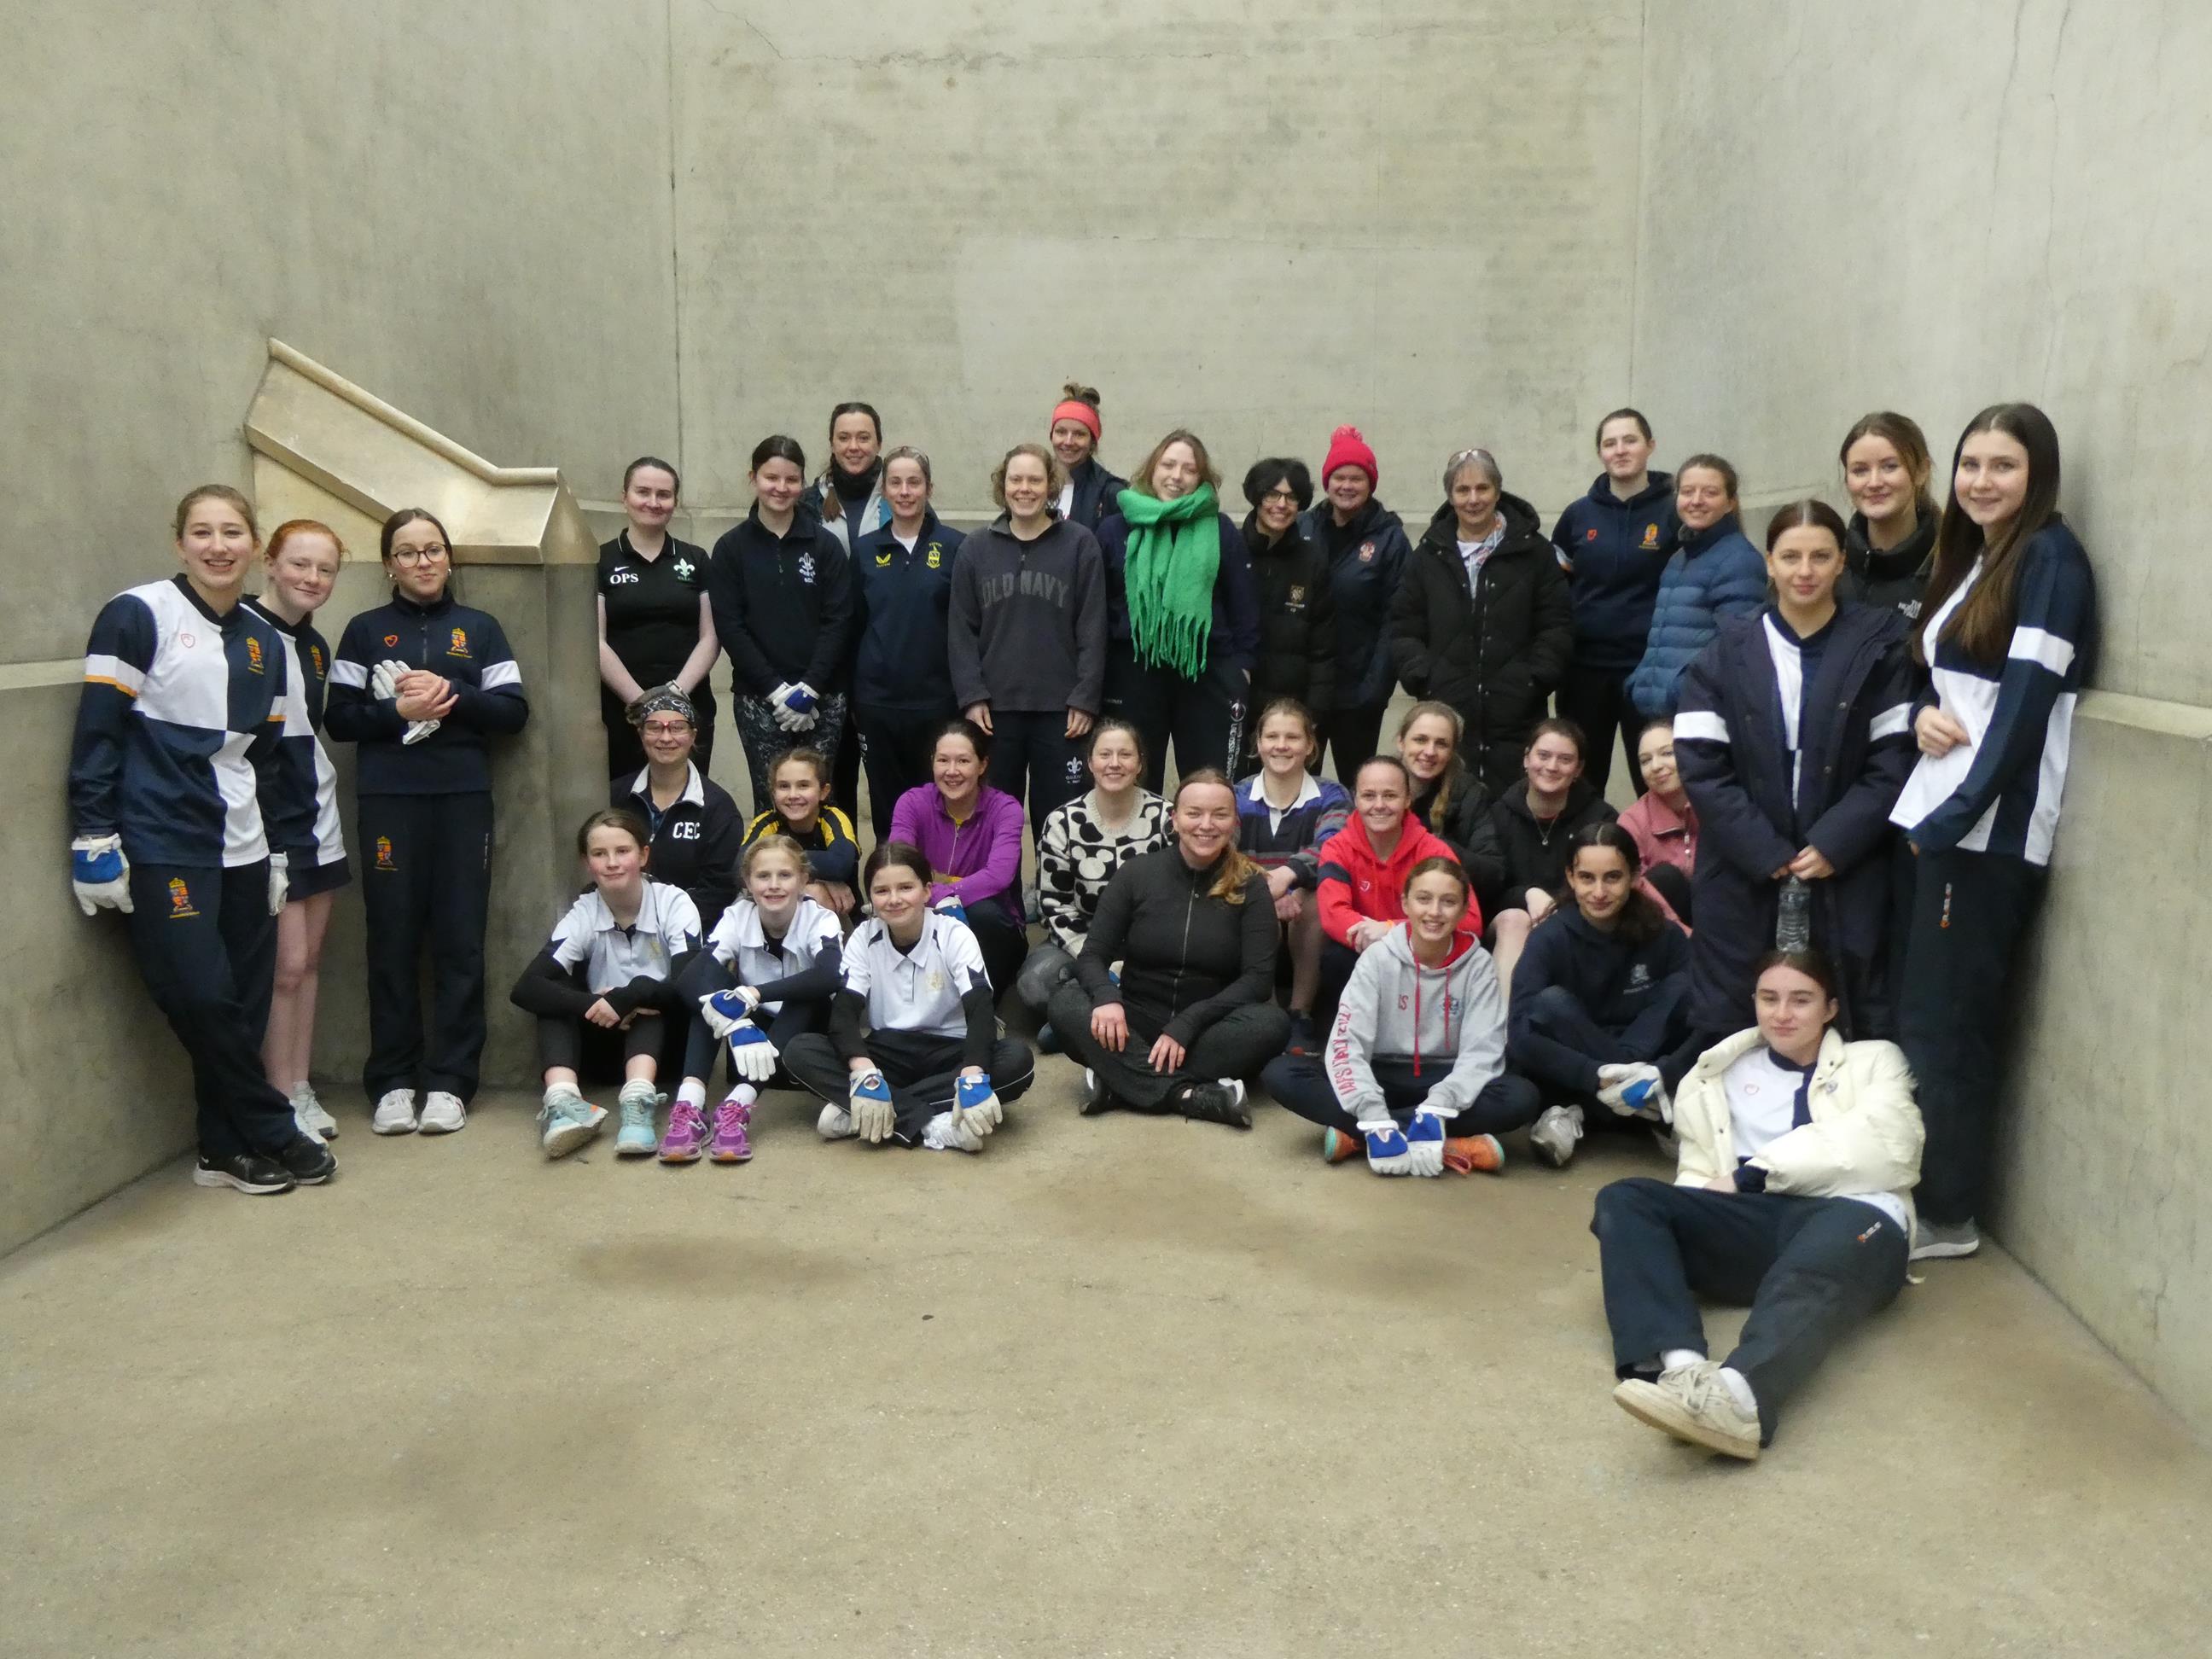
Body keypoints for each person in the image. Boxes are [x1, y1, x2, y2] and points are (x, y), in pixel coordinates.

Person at [68, 485, 333, 1194]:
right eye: (202, 532)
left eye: (232, 532)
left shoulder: (263, 642)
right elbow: (98, 735)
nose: (218, 546)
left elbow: (271, 759)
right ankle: (273, 1126)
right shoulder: (137, 614)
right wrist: (93, 836)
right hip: (163, 843)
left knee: (245, 1006)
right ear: (179, 541)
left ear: (254, 544)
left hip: (246, 850)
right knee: (201, 996)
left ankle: (222, 1149)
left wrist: (280, 850)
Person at [1889, 402, 2096, 1261]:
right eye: (1970, 464)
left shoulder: (2050, 557)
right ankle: (1923, 1195)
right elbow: (1949, 688)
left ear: (2037, 473)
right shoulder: (1980, 558)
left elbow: (2023, 711)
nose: (1981, 481)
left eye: (2001, 466)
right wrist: (1917, 717)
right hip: (1938, 826)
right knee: (1924, 1023)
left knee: (1952, 1031)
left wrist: (1952, 820)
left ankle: (1947, 1216)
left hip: (1983, 842)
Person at [1592, 950, 1921, 1462]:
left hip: (1854, 1215)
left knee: (1817, 1264)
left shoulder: (1874, 1060)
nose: (1782, 1013)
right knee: (1625, 1199)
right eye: (1769, 999)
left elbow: (1887, 1144)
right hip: (1753, 1222)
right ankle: (1683, 1373)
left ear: (1830, 1009)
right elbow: (1698, 1175)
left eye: (1801, 1000)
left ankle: (1740, 1401)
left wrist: (1753, 1174)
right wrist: (1695, 1217)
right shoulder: (1714, 1074)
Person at [1674, 499, 1915, 1044]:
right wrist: (1765, 850)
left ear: (1841, 564)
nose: (1804, 571)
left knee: (1849, 1011)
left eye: (1820, 556)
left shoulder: (1881, 649)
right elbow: (1701, 766)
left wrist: (1836, 841)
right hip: (1743, 870)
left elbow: (1894, 758)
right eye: (1791, 556)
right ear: (1769, 563)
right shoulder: (1723, 653)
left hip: (1848, 867)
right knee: (1732, 1017)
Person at [327, 507, 529, 1137]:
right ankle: (391, 1081)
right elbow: (339, 719)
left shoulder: (481, 628)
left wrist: (451, 695)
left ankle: (450, 1080)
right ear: (389, 564)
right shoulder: (363, 631)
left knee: (460, 940)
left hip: (463, 799)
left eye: (434, 550)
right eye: (408, 552)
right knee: (391, 939)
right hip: (390, 802)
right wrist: (396, 709)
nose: (423, 562)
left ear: (449, 559)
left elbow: (513, 712)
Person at [1263, 857, 1540, 1174]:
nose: (1434, 912)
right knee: (1282, 1073)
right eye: (1424, 899)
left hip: (1447, 1078)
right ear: (1405, 904)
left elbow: (1483, 1051)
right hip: (1381, 1074)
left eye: (1448, 902)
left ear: (1464, 911)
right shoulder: (1377, 959)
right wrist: (1372, 1112)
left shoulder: (1477, 965)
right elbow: (1347, 1044)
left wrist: (1438, 1107)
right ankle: (1422, 1137)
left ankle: (1362, 1136)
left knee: (1522, 1095)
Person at [1050, 772, 1291, 1126]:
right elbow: (1093, 955)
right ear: (1174, 819)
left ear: (1234, 822)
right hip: (1134, 1021)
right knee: (1065, 1003)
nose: (1206, 825)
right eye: (1194, 813)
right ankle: (1190, 1095)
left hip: (1208, 1028)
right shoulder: (1136, 874)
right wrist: (1106, 997)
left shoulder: (1251, 886)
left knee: (1272, 1024)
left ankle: (1120, 1082)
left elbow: (1257, 981)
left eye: (1219, 815)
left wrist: (1188, 1024)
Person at [783, 842, 1036, 1152]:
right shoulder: (864, 937)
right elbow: (844, 1013)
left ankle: (863, 1113)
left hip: (950, 1051)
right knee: (799, 1050)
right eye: (881, 891)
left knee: (1017, 1061)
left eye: (906, 887)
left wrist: (971, 1074)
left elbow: (980, 1008)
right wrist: (863, 1072)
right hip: (886, 1053)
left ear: (927, 891)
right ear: (871, 899)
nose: (894, 899)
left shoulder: (953, 933)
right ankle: (932, 1125)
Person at [509, 810, 701, 1158]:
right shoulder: (584, 911)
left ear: (643, 855)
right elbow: (526, 987)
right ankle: (564, 1102)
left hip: (665, 1052)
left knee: (648, 1001)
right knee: (554, 1000)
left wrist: (629, 996)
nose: (612, 863)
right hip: (602, 1044)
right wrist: (592, 1003)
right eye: (600, 854)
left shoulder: (674, 903)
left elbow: (690, 985)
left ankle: (639, 1105)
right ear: (587, 862)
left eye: (623, 851)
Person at [244, 519, 351, 1144]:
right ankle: (276, 1096)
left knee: (308, 963)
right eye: (300, 564)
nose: (312, 578)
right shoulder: (243, 633)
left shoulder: (314, 646)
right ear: (270, 562)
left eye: (326, 569)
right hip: (265, 825)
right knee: (282, 967)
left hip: (319, 818)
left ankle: (299, 1086)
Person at [1506, 824, 1695, 1171]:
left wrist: (1664, 1072)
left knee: (1686, 986)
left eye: (1612, 877)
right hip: (1579, 1070)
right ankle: (1641, 1109)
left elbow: (1700, 1015)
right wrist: (1596, 1075)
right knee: (1550, 1004)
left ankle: (1589, 1112)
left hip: (1647, 1057)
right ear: (1570, 877)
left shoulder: (1664, 935)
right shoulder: (1549, 938)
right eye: (1587, 878)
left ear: (1636, 876)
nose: (1599, 891)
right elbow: (1518, 1036)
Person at [1390, 447, 1573, 796]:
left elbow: (1556, 624)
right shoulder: (1427, 555)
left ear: (1498, 491)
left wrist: (1536, 678)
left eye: (1483, 488)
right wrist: (1423, 678)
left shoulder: (1534, 553)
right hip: (1447, 710)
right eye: (1462, 490)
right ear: (1450, 496)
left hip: (1517, 710)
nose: (1473, 499)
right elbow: (1404, 626)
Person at [948, 441, 1109, 836]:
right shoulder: (975, 549)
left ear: (1050, 485)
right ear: (1003, 486)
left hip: (1063, 711)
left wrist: (1086, 696)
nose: (1025, 488)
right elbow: (960, 630)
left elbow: (1093, 625)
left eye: (1035, 480)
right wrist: (972, 695)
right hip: (995, 711)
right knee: (996, 819)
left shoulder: (1079, 543)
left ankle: (1052, 896)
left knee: (1059, 819)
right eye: (1015, 479)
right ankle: (1001, 898)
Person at [662, 835, 844, 1165]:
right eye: (763, 876)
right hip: (749, 1040)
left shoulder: (820, 918)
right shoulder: (738, 915)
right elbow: (691, 977)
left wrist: (754, 993)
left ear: (804, 880)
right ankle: (691, 1106)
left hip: (803, 1036)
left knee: (807, 994)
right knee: (710, 998)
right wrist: (734, 1020)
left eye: (785, 876)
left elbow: (830, 976)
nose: (774, 885)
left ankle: (737, 1108)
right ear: (748, 881)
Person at [1097, 429, 1260, 790]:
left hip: (1205, 668)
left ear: (1201, 479)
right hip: (1134, 668)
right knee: (1134, 779)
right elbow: (1096, 605)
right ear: (1151, 469)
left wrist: (1242, 667)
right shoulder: (1114, 529)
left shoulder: (1219, 530)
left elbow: (1243, 602)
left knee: (1209, 780)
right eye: (1168, 465)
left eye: (1189, 469)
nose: (1176, 476)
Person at [706, 435, 854, 814]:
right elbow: (730, 626)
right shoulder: (730, 549)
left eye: (791, 479)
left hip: (823, 697)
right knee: (772, 803)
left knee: (819, 804)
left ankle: (824, 874)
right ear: (753, 477)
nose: (781, 488)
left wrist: (810, 689)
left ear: (802, 483)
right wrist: (777, 692)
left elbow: (838, 619)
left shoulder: (825, 545)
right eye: (772, 477)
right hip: (759, 699)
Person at [1553, 409, 1679, 793]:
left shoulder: (1675, 511)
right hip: (1584, 671)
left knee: (1657, 781)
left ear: (1650, 446)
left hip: (1649, 671)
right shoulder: (1578, 516)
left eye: (1630, 440)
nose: (1620, 450)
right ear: (1601, 454)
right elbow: (1555, 588)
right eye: (1610, 443)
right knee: (1580, 782)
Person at [1019, 719, 1171, 1027]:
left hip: (1151, 950)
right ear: (1090, 762)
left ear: (1140, 762)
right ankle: (1109, 1011)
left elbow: (1175, 900)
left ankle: (1076, 1020)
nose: (1114, 764)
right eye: (1105, 755)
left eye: (1125, 755)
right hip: (1082, 943)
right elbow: (1053, 904)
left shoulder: (1165, 817)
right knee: (1034, 985)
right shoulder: (1063, 822)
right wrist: (1094, 961)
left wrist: (1134, 959)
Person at [850, 446, 963, 840]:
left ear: (929, 487)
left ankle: (937, 894)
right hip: (878, 703)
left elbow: (967, 627)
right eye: (895, 483)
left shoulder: (956, 548)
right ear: (884, 490)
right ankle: (890, 892)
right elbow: (854, 626)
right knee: (888, 807)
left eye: (914, 482)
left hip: (938, 702)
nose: (904, 491)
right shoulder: (865, 550)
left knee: (940, 806)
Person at [1314, 757, 1474, 1016]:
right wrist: (1377, 942)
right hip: (1363, 950)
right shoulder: (1338, 847)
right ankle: (1346, 1040)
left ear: (1408, 800)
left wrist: (1392, 932)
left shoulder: (1433, 850)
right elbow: (1333, 914)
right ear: (1355, 799)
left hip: (1423, 953)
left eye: (1390, 796)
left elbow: (1470, 920)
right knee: (1336, 958)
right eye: (1368, 796)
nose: (1379, 805)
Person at [1235, 698, 1351, 1052]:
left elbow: (1332, 845)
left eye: (1292, 737)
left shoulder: (1333, 795)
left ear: (1310, 745)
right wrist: (1270, 887)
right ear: (1258, 744)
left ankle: (1299, 1013)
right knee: (1259, 900)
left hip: (1306, 909)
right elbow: (1225, 852)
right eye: (1272, 736)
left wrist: (1289, 877)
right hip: (1254, 902)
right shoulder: (1237, 794)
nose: (1281, 745)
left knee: (1317, 901)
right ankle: (1269, 1013)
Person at [1298, 425, 1412, 781]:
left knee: (1358, 784)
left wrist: (1375, 689)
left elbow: (1397, 617)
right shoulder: (1303, 526)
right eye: (1339, 477)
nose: (1346, 486)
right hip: (1307, 687)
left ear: (1370, 484)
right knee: (1300, 786)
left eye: (1357, 478)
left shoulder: (1390, 539)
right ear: (1327, 482)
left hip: (1359, 692)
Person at [597, 456, 717, 778]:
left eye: (663, 495)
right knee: (627, 808)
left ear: (675, 502)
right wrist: (642, 703)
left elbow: (711, 637)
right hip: (623, 712)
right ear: (624, 498)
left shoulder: (696, 559)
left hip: (689, 705)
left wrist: (675, 695)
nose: (653, 502)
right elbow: (595, 641)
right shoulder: (600, 560)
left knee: (687, 803)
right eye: (643, 492)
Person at [887, 720, 1027, 997]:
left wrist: (942, 891)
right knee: (893, 904)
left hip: (991, 929)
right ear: (932, 763)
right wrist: (938, 897)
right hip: (925, 916)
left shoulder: (1005, 808)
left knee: (983, 913)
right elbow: (899, 863)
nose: (952, 771)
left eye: (963, 761)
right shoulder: (912, 802)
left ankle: (983, 1007)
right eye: (943, 760)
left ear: (982, 765)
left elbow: (998, 875)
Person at [1479, 718, 1617, 994]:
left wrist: (1557, 908)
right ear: (1527, 759)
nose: (1552, 767)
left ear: (1578, 770)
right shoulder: (1496, 814)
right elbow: (1489, 887)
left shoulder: (1601, 818)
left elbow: (1608, 885)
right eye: (1543, 755)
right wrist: (1526, 894)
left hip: (1578, 921)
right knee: (1514, 920)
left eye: (1565, 759)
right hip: (1509, 926)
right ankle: (1506, 1031)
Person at [1626, 454, 1767, 720]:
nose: (1696, 501)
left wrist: (1680, 691)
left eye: (1710, 492)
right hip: (1664, 714)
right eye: (1688, 491)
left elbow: (1736, 649)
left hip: (1700, 713)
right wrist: (1641, 681)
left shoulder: (1740, 560)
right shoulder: (1679, 558)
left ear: (1730, 503)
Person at [611, 685, 744, 935]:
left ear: (693, 736)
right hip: (620, 930)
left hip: (691, 934)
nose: (666, 738)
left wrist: (661, 924)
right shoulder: (616, 796)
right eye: (654, 727)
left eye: (677, 727)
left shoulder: (717, 807)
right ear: (641, 734)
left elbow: (718, 892)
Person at [810, 403, 888, 817]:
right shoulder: (807, 503)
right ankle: (840, 879)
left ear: (878, 443)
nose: (854, 446)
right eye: (844, 437)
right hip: (826, 668)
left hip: (883, 665)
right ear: (831, 443)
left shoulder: (903, 497)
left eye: (863, 437)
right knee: (832, 787)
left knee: (887, 790)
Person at [1240, 457, 1336, 754]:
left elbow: (1325, 648)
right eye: (1272, 494)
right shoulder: (1229, 549)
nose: (1281, 505)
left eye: (1291, 497)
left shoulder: (1313, 561)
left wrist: (1314, 714)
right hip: (1235, 708)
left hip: (1291, 716)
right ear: (1257, 497)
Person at [1394, 700, 1506, 906]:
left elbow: (1493, 874)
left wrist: (1437, 848)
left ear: (1452, 751)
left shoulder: (1471, 795)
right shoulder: (1375, 784)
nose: (1430, 751)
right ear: (1401, 742)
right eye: (1420, 740)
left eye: (1441, 744)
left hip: (1447, 910)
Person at [741, 746, 861, 922]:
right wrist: (818, 879)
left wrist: (772, 861)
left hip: (841, 917)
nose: (793, 795)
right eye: (783, 786)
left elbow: (840, 865)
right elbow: (740, 868)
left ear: (823, 792)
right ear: (773, 793)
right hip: (777, 913)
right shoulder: (767, 822)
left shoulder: (833, 818)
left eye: (803, 786)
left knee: (815, 895)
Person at [1840, 411, 1938, 624]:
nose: (1874, 482)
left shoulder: (1952, 568)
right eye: (1860, 470)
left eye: (1890, 466)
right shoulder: (1829, 568)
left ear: (1922, 471)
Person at [1618, 719, 1698, 924]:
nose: (1656, 766)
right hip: (1661, 928)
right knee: (1666, 878)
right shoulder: (1632, 821)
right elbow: (1634, 892)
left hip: (1720, 919)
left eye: (1667, 753)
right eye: (1645, 760)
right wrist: (1683, 935)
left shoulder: (1716, 804)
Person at [1048, 381, 1127, 533]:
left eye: (1079, 434)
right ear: (1051, 436)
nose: (1068, 441)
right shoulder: (1034, 484)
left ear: (1093, 442)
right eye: (1061, 432)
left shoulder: (1110, 493)